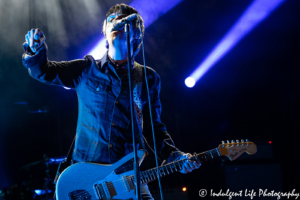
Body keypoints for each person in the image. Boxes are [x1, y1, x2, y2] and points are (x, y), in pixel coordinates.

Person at [22, 3, 200, 199]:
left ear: (137, 35)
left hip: (127, 175)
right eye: (111, 20)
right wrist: (35, 51)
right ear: (105, 32)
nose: (117, 21)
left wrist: (173, 155)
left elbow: (152, 127)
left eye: (124, 19)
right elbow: (45, 71)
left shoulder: (147, 78)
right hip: (85, 178)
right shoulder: (86, 69)